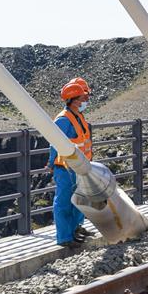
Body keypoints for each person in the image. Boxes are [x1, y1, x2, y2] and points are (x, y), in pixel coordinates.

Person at [48, 80, 96, 248]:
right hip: (66, 168)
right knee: (63, 202)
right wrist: (50, 163)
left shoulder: (77, 116)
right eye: (84, 98)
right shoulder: (63, 119)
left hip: (79, 167)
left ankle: (76, 229)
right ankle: (64, 237)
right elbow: (54, 142)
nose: (86, 101)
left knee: (80, 200)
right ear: (74, 99)